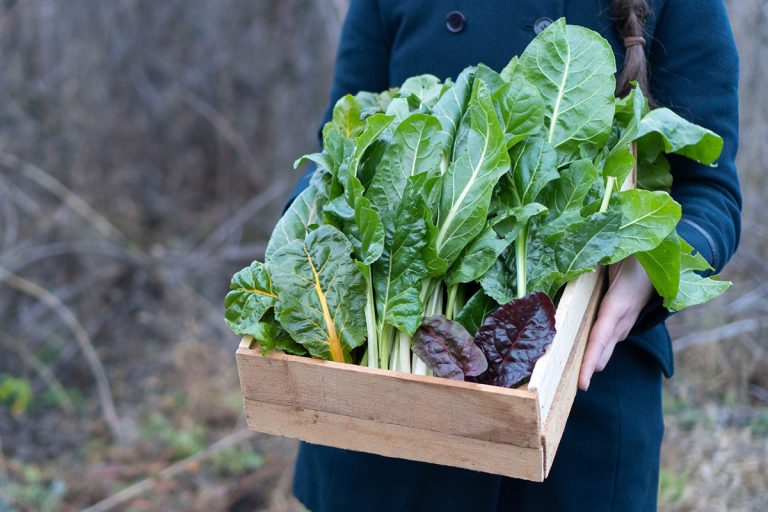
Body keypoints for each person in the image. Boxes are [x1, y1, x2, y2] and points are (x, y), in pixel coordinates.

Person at [285, 0, 741, 510]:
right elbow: (335, 154)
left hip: (582, 410)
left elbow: (711, 195)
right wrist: (302, 251)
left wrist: (646, 273)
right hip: (382, 404)